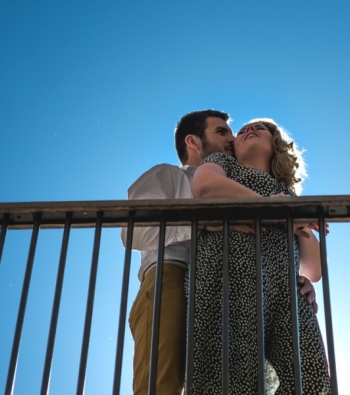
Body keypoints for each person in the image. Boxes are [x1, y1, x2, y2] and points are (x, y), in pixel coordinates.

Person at [124, 110, 317, 395]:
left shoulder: (240, 179)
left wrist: (299, 276)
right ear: (193, 141)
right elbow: (133, 232)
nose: (231, 137)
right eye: (222, 132)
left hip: (223, 283)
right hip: (171, 275)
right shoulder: (168, 175)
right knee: (163, 382)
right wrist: (203, 223)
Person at [190, 119, 330, 395]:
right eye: (241, 131)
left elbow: (314, 268)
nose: (248, 130)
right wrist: (271, 206)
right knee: (233, 377)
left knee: (313, 379)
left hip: (283, 291)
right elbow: (205, 186)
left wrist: (300, 223)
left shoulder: (287, 194)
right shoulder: (224, 164)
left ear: (275, 144)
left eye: (260, 128)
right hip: (230, 275)